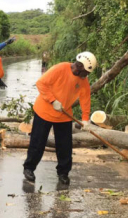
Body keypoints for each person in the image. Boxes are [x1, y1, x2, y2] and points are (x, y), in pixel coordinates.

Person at [22, 52, 96, 185]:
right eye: (85, 72)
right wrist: (52, 100)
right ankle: (29, 168)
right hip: (44, 112)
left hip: (64, 114)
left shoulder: (83, 80)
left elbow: (85, 98)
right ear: (79, 65)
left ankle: (63, 173)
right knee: (38, 142)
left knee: (65, 146)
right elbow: (41, 83)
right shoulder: (60, 69)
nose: (86, 75)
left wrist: (85, 119)